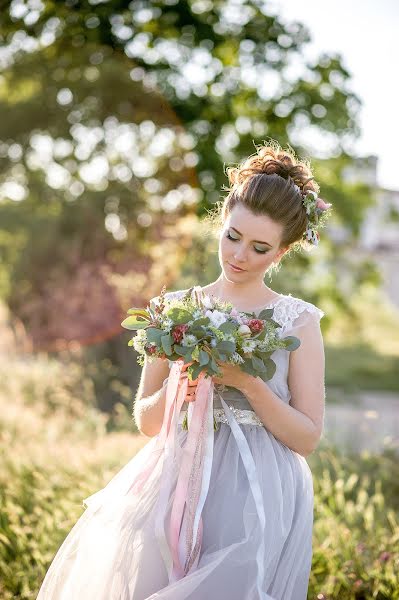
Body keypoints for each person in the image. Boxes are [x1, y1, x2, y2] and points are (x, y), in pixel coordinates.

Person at [36, 140, 331, 600]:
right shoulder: (175, 310)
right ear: (221, 221)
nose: (239, 256)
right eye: (232, 236)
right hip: (174, 479)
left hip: (256, 492)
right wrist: (181, 384)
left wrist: (247, 383)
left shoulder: (298, 321)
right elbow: (147, 421)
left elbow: (307, 437)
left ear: (282, 251)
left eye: (259, 248)